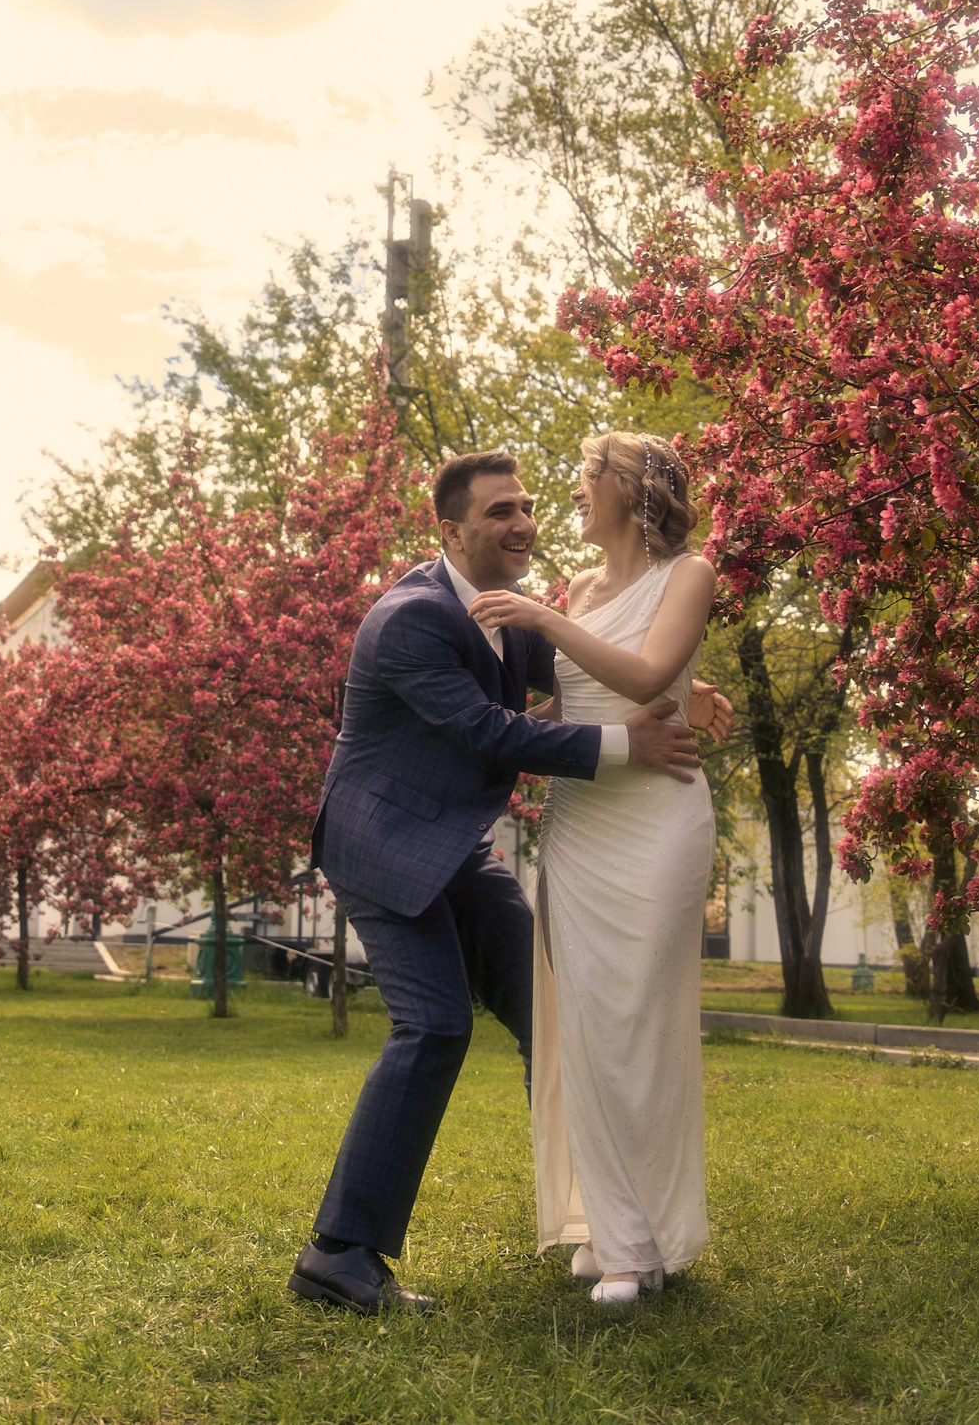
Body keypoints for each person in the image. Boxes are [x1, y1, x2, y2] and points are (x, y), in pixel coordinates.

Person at [288, 450, 704, 1316]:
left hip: (454, 845)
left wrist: (697, 687)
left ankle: (612, 1220)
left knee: (551, 1011)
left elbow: (595, 673)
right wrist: (636, 746)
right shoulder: (409, 619)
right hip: (382, 842)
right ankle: (340, 1252)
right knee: (435, 1026)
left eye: (525, 505)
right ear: (451, 531)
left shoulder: (511, 616)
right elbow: (490, 732)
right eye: (499, 513)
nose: (522, 524)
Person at [469, 432, 720, 1307]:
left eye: (583, 479)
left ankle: (647, 1243)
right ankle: (614, 1230)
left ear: (627, 486)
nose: (571, 497)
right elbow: (570, 709)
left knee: (637, 1023)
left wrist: (541, 618)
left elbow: (651, 671)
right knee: (583, 1027)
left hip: (659, 818)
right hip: (582, 826)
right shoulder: (579, 589)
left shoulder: (689, 573)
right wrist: (465, 723)